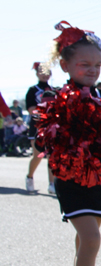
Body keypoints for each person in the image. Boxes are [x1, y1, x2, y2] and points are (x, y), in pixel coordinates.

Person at [49, 21, 101, 266]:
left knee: (83, 239)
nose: (92, 70)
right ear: (65, 65)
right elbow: (48, 139)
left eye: (97, 64)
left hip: (99, 177)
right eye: (84, 64)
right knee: (91, 238)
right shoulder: (59, 99)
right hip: (71, 178)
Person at [24, 62, 55, 194]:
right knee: (38, 155)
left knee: (52, 155)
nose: (45, 75)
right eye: (42, 72)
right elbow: (31, 109)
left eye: (47, 72)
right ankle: (29, 177)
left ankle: (52, 184)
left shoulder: (55, 90)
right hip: (37, 126)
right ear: (37, 74)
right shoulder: (32, 90)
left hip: (51, 126)